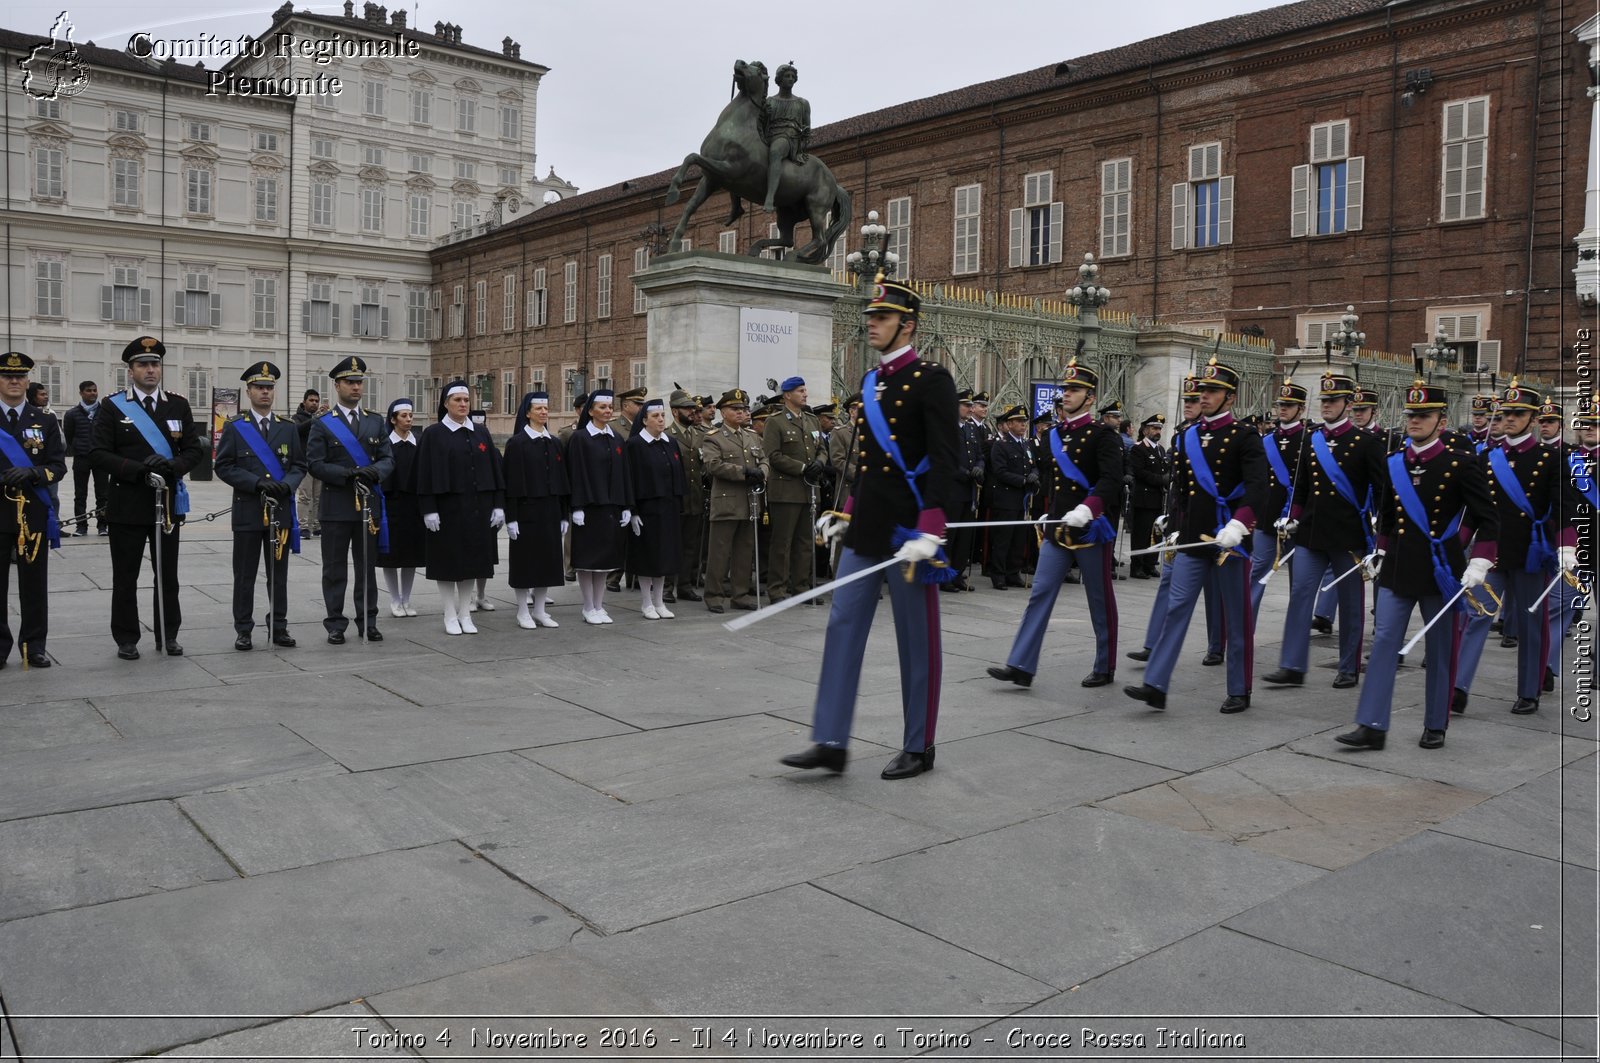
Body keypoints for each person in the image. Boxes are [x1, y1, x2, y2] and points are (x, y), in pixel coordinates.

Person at [783, 277, 960, 780]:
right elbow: (872, 462)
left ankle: (919, 744)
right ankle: (831, 739)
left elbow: (947, 461)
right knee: (842, 625)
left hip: (911, 532)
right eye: (870, 317)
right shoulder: (869, 383)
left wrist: (931, 528)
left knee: (915, 639)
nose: (872, 324)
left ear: (908, 324)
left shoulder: (932, 380)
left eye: (881, 318)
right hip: (870, 526)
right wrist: (847, 513)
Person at [1336, 381, 1499, 750]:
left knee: (1441, 649)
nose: (1414, 421)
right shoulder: (1394, 462)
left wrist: (1480, 560)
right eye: (1411, 415)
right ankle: (1372, 724)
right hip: (1398, 566)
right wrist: (1379, 549)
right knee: (1384, 643)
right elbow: (1390, 515)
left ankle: (1436, 721)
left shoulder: (1461, 464)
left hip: (1442, 570)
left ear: (1441, 422)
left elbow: (1488, 517)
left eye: (1423, 415)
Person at [1124, 357, 1268, 713]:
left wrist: (1240, 524)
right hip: (1193, 539)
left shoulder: (1245, 437)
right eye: (1203, 389)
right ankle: (1156, 684)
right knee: (1176, 609)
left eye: (1213, 391)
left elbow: (1258, 488)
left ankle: (1240, 688)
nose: (1204, 396)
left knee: (1236, 618)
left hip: (1229, 541)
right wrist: (1175, 529)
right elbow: (1184, 492)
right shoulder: (1187, 437)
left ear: (1230, 398)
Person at [988, 359, 1123, 690]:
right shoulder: (1052, 437)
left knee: (1099, 597)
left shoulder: (1103, 436)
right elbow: (1052, 481)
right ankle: (1021, 664)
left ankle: (1105, 665)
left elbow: (1111, 481)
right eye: (1064, 389)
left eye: (1074, 390)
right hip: (1058, 527)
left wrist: (1087, 509)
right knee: (1040, 592)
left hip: (1090, 527)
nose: (1066, 395)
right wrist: (1048, 510)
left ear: (1089, 398)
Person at [1451, 380, 1580, 716]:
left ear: (1533, 419)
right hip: (1491, 553)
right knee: (1476, 616)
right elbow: (1474, 511)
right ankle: (1458, 687)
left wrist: (1566, 547)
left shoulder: (1551, 459)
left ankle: (1529, 689)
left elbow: (1563, 506)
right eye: (1506, 412)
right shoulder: (1486, 459)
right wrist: (1457, 547)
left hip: (1530, 552)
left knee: (1529, 623)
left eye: (1517, 413)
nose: (1509, 418)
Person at [1263, 372, 1386, 691]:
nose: (1327, 405)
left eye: (1333, 401)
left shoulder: (1366, 443)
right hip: (1311, 532)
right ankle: (1291, 665)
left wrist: (1377, 523)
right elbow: (1302, 487)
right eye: (1324, 400)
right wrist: (1293, 517)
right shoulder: (1312, 438)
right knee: (1301, 594)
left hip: (1348, 536)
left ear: (1347, 404)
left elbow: (1382, 488)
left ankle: (1348, 666)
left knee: (1350, 602)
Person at [90, 336, 205, 659]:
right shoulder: (113, 406)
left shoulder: (177, 405)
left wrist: (171, 465)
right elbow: (98, 453)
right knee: (125, 575)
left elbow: (194, 450)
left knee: (167, 574)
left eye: (155, 364)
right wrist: (138, 470)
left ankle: (168, 634)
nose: (150, 370)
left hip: (166, 504)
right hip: (127, 502)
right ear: (130, 371)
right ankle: (126, 637)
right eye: (143, 365)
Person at [213, 361, 306, 651]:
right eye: (259, 387)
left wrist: (287, 485)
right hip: (248, 510)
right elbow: (224, 466)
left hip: (279, 511)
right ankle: (243, 629)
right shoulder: (236, 427)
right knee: (245, 575)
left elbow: (299, 465)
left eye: (269, 388)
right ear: (249, 390)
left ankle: (279, 625)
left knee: (278, 574)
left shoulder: (287, 428)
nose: (265, 392)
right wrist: (255, 483)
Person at [306, 356, 394, 644]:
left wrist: (373, 472)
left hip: (368, 506)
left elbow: (387, 458)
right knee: (334, 568)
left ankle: (367, 619)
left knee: (366, 568)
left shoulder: (375, 421)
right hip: (336, 504)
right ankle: (335, 623)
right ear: (337, 385)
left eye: (359, 382)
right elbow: (315, 463)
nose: (356, 387)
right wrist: (349, 474)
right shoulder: (322, 423)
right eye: (350, 382)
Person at [416, 381, 505, 635]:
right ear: (446, 404)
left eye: (466, 400)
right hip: (447, 509)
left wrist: (498, 504)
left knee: (472, 562)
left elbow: (494, 469)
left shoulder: (481, 432)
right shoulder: (433, 434)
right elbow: (424, 473)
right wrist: (428, 508)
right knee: (448, 563)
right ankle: (449, 613)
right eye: (457, 400)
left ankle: (465, 612)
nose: (463, 404)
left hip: (477, 507)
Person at [0, 352, 65, 668]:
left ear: (27, 381)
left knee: (34, 585)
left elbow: (57, 465)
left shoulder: (46, 420)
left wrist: (34, 473)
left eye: (20, 376)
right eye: (7, 376)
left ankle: (34, 646)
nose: (14, 381)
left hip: (34, 514)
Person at [565, 389, 634, 624]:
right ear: (591, 410)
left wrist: (626, 505)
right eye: (602, 407)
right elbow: (576, 474)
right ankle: (587, 606)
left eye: (609, 407)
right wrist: (577, 507)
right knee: (588, 561)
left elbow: (624, 473)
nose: (607, 411)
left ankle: (599, 604)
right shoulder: (581, 438)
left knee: (605, 560)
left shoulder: (615, 438)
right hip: (589, 507)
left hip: (611, 507)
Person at [503, 391, 570, 628]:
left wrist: (563, 513)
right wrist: (511, 517)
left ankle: (540, 610)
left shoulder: (553, 442)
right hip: (526, 511)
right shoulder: (517, 443)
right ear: (528, 412)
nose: (543, 412)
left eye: (546, 409)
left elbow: (562, 480)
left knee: (547, 563)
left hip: (550, 510)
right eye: (538, 409)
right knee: (525, 563)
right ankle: (523, 610)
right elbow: (510, 483)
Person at [699, 388, 767, 614]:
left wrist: (762, 473)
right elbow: (713, 466)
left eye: (743, 409)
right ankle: (714, 596)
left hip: (750, 502)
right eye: (734, 409)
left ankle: (740, 595)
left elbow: (764, 461)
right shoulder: (714, 438)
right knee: (719, 553)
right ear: (722, 412)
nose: (740, 413)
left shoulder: (752, 436)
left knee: (744, 553)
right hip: (726, 502)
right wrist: (745, 472)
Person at [762, 375, 824, 602]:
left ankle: (801, 588)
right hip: (786, 492)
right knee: (782, 543)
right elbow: (773, 455)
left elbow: (822, 449)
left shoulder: (812, 420)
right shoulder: (775, 421)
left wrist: (820, 463)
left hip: (809, 491)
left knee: (805, 543)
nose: (805, 394)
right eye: (800, 391)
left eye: (805, 390)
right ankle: (777, 590)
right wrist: (802, 468)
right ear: (787, 395)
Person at [626, 397, 688, 619]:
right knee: (648, 557)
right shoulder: (634, 445)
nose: (661, 420)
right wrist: (632, 511)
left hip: (668, 507)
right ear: (644, 420)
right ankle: (646, 602)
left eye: (663, 416)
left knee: (665, 557)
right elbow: (629, 480)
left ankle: (660, 601)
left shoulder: (670, 443)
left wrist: (679, 503)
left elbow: (679, 474)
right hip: (646, 509)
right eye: (655, 416)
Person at [1250, 381, 1307, 611]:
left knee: (1300, 582)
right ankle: (1244, 634)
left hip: (1299, 519)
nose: (1282, 409)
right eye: (1281, 404)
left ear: (1300, 409)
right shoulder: (1267, 441)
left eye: (1289, 405)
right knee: (1256, 573)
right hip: (1268, 516)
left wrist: (1296, 515)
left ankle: (1295, 635)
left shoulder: (1310, 440)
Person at [378, 398, 426, 618]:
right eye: (404, 416)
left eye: (410, 415)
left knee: (410, 556)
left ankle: (406, 598)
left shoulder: (419, 443)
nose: (408, 420)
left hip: (413, 505)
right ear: (393, 419)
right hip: (392, 504)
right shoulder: (386, 444)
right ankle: (394, 599)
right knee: (391, 555)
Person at [984, 404, 1035, 590]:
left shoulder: (1026, 444)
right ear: (1010, 424)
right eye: (1019, 422)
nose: (1023, 425)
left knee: (1018, 538)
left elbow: (1033, 464)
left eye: (1024, 422)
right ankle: (998, 574)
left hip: (1022, 500)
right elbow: (1000, 471)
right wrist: (1023, 480)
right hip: (1006, 499)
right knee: (1003, 539)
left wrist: (1034, 474)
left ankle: (1013, 573)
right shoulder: (1001, 445)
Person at [666, 389, 706, 603]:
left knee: (690, 545)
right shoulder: (667, 435)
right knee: (672, 544)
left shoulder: (699, 435)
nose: (692, 412)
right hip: (676, 500)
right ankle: (666, 586)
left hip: (695, 499)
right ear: (675, 411)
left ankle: (684, 585)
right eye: (687, 409)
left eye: (693, 409)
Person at [946, 389, 985, 593]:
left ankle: (957, 574)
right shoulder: (947, 428)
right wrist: (965, 473)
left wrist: (979, 467)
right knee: (950, 536)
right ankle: (944, 577)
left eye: (971, 406)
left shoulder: (971, 429)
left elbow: (979, 454)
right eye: (966, 405)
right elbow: (945, 459)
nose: (970, 409)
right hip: (953, 489)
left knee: (964, 536)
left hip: (969, 491)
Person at [760, 62, 810, 213]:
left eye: (793, 77)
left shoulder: (802, 103)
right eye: (787, 76)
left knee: (776, 151)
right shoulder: (769, 101)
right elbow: (761, 124)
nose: (790, 79)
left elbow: (807, 127)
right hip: (769, 135)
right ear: (779, 79)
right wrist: (764, 115)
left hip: (789, 137)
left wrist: (804, 140)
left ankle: (770, 198)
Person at [61, 380, 107, 536]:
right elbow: (68, 436)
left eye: (95, 390)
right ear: (81, 393)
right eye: (89, 390)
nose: (93, 393)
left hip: (100, 458)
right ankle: (81, 526)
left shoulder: (105, 412)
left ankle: (102, 525)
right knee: (80, 494)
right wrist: (78, 449)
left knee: (103, 494)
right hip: (81, 458)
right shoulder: (72, 414)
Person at [1127, 413, 1169, 578]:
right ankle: (1137, 566)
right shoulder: (1138, 448)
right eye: (1154, 428)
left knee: (1156, 534)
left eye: (1159, 428)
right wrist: (1161, 480)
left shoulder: (1160, 449)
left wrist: (1167, 479)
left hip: (1158, 499)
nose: (1157, 431)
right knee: (1141, 535)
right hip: (1143, 499)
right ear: (1145, 431)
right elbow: (1140, 472)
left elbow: (1165, 470)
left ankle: (1150, 564)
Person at [292, 389, 323, 538]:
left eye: (316, 401)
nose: (314, 403)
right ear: (304, 402)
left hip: (319, 462)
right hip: (304, 462)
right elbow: (297, 430)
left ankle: (317, 525)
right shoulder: (296, 418)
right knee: (305, 496)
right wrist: (315, 419)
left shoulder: (320, 418)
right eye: (311, 400)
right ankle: (303, 526)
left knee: (318, 496)